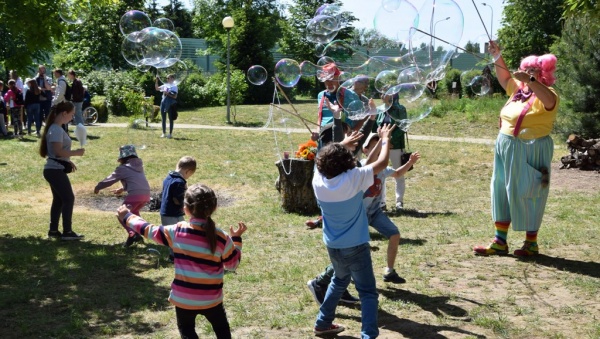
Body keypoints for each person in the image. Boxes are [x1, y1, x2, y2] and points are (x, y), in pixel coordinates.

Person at [116, 184, 247, 339]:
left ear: (186, 208)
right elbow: (232, 265)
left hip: (184, 300)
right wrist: (236, 240)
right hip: (212, 300)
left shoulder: (177, 231)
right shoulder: (221, 237)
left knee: (187, 332)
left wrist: (128, 216)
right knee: (222, 331)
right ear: (214, 207)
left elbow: (149, 230)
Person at [473, 41, 559, 257]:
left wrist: (529, 80)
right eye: (527, 69)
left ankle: (531, 243)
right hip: (506, 145)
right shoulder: (518, 91)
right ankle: (499, 241)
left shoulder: (548, 94)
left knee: (530, 190)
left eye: (534, 71)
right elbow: (503, 77)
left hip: (532, 148)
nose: (528, 73)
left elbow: (548, 100)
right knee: (501, 189)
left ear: (543, 75)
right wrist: (497, 55)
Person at [310, 124, 395, 338]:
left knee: (339, 280)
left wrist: (342, 145)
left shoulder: (318, 179)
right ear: (347, 163)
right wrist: (384, 138)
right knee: (367, 292)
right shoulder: (354, 177)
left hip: (333, 245)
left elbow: (322, 157)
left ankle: (322, 323)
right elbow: (383, 163)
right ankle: (368, 335)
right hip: (355, 246)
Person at [38, 101, 85, 240]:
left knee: (59, 200)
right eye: (71, 114)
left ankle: (53, 231)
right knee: (68, 198)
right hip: (54, 170)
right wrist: (76, 153)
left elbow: (56, 153)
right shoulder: (56, 129)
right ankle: (67, 232)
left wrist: (68, 160)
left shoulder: (56, 128)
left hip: (54, 168)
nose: (72, 117)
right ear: (64, 113)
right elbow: (58, 152)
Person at [94, 145, 151, 247]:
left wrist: (98, 186)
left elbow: (110, 179)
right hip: (146, 195)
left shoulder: (123, 168)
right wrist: (121, 189)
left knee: (120, 213)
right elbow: (135, 181)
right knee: (134, 213)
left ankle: (133, 234)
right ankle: (140, 232)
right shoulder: (139, 166)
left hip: (135, 196)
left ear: (122, 157)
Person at [160, 156, 197, 261]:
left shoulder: (168, 177)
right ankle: (175, 256)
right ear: (188, 171)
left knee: (172, 234)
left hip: (165, 212)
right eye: (190, 175)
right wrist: (186, 205)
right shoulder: (179, 182)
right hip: (173, 213)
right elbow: (177, 199)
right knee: (178, 234)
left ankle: (175, 254)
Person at [378, 91, 409, 210]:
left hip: (395, 145)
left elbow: (402, 127)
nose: (382, 95)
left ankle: (399, 201)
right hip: (382, 145)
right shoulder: (381, 109)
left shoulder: (400, 109)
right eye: (381, 93)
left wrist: (390, 140)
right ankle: (381, 202)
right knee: (380, 174)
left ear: (393, 95)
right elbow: (378, 125)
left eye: (385, 93)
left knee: (399, 173)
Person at [155, 74, 178, 139]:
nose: (167, 79)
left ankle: (170, 134)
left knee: (170, 119)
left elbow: (175, 96)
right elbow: (157, 88)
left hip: (170, 103)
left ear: (172, 79)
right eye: (167, 78)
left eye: (168, 78)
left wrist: (167, 93)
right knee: (163, 118)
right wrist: (156, 81)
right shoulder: (165, 85)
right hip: (163, 102)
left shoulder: (174, 86)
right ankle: (163, 133)